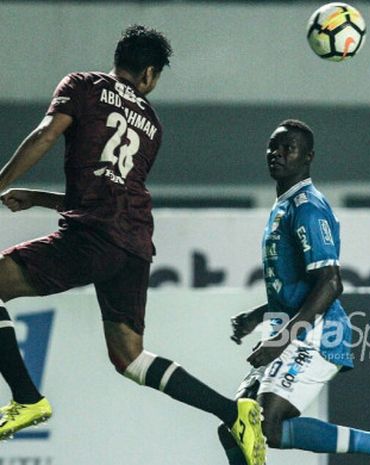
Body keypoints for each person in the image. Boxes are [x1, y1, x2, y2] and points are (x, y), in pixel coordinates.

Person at [0, 25, 265, 465]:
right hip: (134, 245)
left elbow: (47, 135)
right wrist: (38, 199)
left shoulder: (82, 86)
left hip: (93, 237)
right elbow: (111, 191)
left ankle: (27, 398)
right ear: (147, 75)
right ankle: (232, 412)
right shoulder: (153, 125)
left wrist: (4, 181)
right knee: (129, 357)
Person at [218, 119, 370, 465]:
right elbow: (298, 287)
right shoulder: (284, 205)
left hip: (317, 333)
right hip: (293, 327)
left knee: (266, 426)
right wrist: (258, 315)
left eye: (288, 148)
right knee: (235, 426)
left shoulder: (308, 208)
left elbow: (330, 283)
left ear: (308, 157)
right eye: (273, 146)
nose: (277, 154)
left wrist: (283, 338)